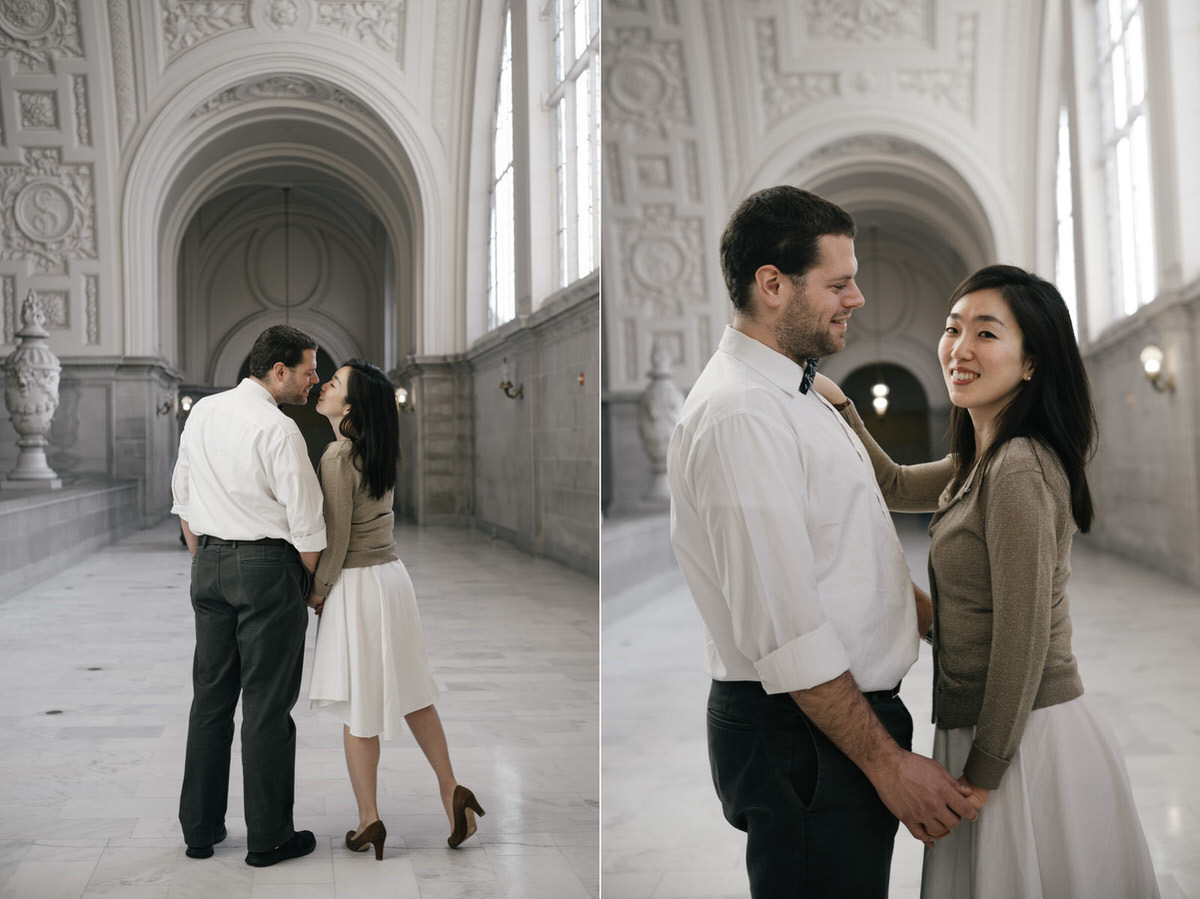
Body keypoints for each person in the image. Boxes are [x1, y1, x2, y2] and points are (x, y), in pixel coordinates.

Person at [666, 185, 979, 898]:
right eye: (838, 283)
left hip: (833, 724)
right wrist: (887, 763)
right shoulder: (741, 415)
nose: (859, 297)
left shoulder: (799, 395)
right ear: (772, 285)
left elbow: (851, 560)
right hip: (804, 735)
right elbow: (790, 630)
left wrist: (947, 630)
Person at [814, 264, 1159, 897]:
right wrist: (841, 408)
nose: (960, 347)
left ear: (1031, 363)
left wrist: (984, 773)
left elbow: (1022, 638)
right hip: (986, 730)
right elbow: (890, 485)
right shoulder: (978, 461)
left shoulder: (1020, 468)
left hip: (1027, 740)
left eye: (987, 332)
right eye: (952, 328)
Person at [306, 359, 484, 859]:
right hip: (392, 579)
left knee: (360, 705)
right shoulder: (378, 452)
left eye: (334, 383)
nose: (324, 385)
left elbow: (336, 540)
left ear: (351, 406)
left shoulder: (338, 457)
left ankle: (369, 821)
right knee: (412, 692)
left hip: (359, 585)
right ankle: (453, 790)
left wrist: (317, 591)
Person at [171, 324, 326, 867]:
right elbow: (307, 523)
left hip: (209, 563)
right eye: (309, 370)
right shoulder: (280, 430)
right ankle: (268, 837)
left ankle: (200, 830)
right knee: (265, 705)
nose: (315, 379)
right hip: (267, 568)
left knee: (210, 702)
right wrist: (306, 586)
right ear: (278, 371)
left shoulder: (205, 413)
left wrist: (204, 555)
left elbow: (182, 494)